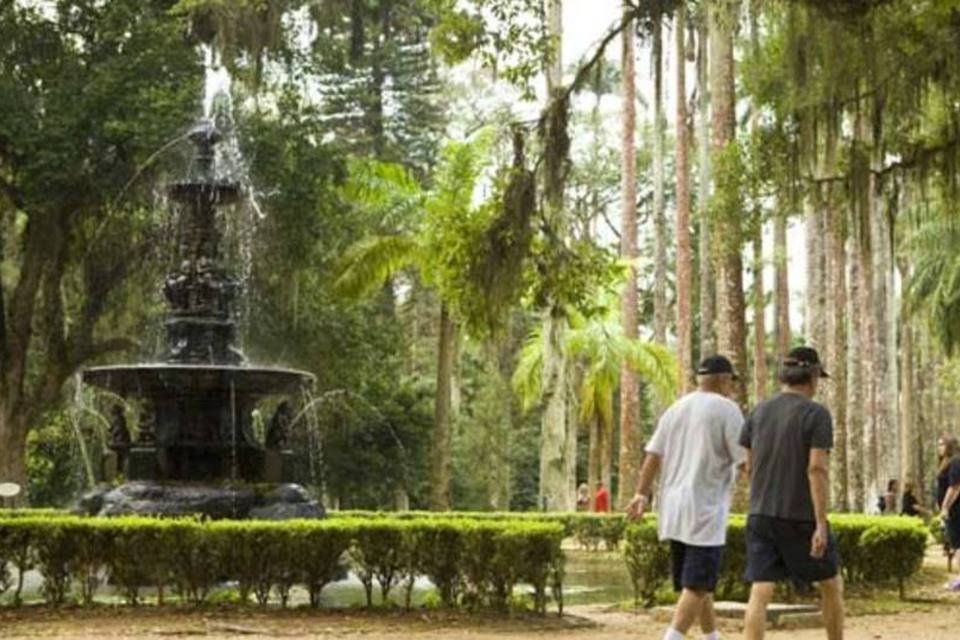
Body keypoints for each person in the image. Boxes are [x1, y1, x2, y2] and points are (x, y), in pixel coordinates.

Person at [626, 354, 745, 640]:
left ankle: (711, 636)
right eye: (732, 382)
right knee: (697, 584)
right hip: (704, 507)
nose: (733, 388)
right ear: (724, 379)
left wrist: (641, 493)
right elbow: (744, 461)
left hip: (674, 508)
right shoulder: (727, 410)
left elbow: (653, 455)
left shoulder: (676, 408)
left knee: (697, 584)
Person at [739, 346, 844, 640]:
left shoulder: (758, 411)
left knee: (760, 590)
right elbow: (816, 469)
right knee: (830, 584)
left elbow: (748, 465)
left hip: (760, 513)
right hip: (800, 516)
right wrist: (820, 523)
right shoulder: (816, 413)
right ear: (811, 377)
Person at [936, 435, 960, 590]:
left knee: (958, 544)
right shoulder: (947, 463)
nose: (939, 447)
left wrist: (945, 507)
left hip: (956, 510)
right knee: (956, 544)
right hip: (953, 510)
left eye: (942, 444)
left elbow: (955, 487)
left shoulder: (956, 461)